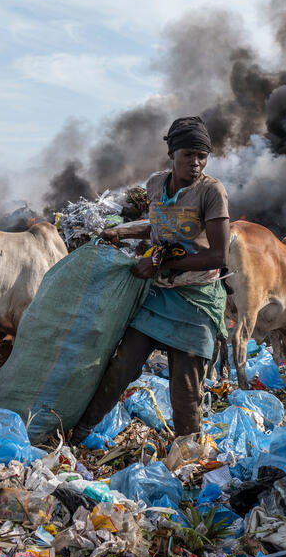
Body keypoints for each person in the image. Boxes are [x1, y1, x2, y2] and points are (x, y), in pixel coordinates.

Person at [72, 116, 229, 440]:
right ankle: (78, 434)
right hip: (160, 294)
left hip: (196, 298)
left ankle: (188, 457)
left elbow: (219, 256)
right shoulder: (156, 184)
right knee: (120, 368)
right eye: (188, 154)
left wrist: (161, 264)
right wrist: (121, 231)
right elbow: (158, 226)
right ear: (172, 153)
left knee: (184, 393)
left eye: (202, 156)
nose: (196, 162)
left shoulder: (211, 192)